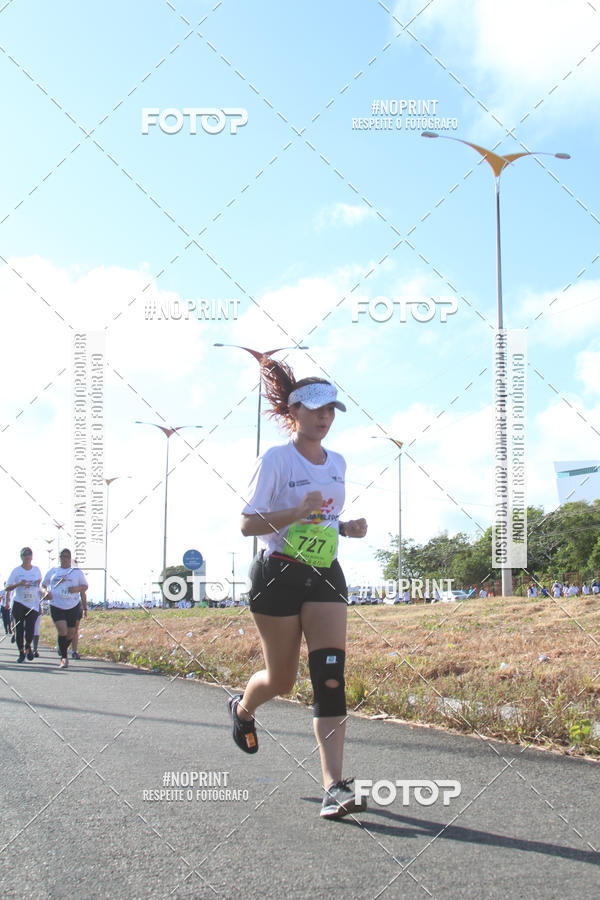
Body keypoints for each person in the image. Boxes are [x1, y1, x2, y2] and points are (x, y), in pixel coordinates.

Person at [230, 360, 368, 820]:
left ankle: (334, 786)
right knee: (282, 679)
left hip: (325, 572)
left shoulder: (338, 463)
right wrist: (293, 511)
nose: (324, 417)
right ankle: (244, 709)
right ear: (294, 412)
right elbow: (247, 523)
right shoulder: (275, 460)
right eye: (315, 409)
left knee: (330, 676)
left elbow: (324, 519)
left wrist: (346, 527)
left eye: (331, 410)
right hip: (278, 575)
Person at [42, 549, 88, 668]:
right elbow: (43, 585)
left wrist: (76, 589)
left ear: (70, 558)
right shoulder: (53, 571)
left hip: (72, 606)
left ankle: (62, 648)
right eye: (62, 556)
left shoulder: (76, 572)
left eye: (67, 556)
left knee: (70, 634)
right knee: (62, 631)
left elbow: (85, 586)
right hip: (56, 605)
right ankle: (64, 658)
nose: (65, 558)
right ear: (59, 558)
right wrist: (45, 592)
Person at [5, 547, 42, 662]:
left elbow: (39, 584)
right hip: (19, 603)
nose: (27, 557)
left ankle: (28, 646)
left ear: (32, 556)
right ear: (21, 557)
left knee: (30, 628)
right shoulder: (16, 571)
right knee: (19, 629)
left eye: (29, 555)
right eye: (25, 555)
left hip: (32, 604)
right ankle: (21, 652)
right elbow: (8, 587)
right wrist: (19, 583)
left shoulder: (36, 570)